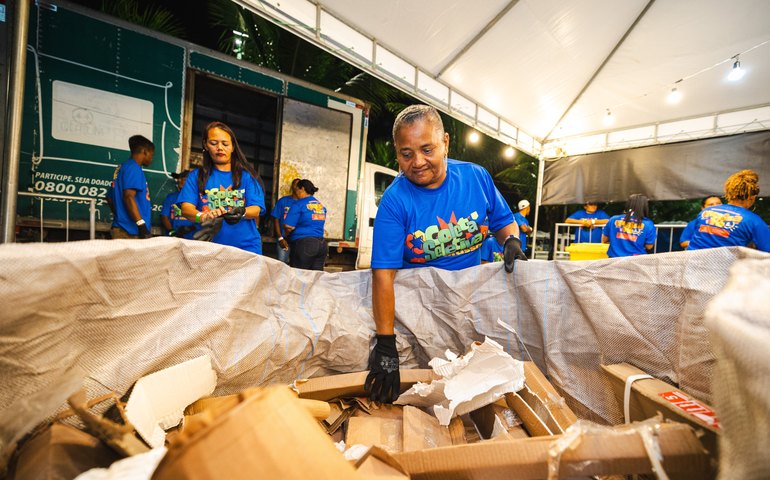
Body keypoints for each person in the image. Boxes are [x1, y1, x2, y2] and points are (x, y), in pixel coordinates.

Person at [365, 104, 526, 403]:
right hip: (419, 309)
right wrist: (386, 344)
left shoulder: (476, 178)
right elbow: (383, 274)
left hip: (468, 301)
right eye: (406, 153)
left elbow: (504, 222)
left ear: (446, 143)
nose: (418, 162)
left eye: (427, 149)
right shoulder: (394, 202)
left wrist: (510, 242)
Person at [178, 121, 266, 254]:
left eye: (225, 144)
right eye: (213, 143)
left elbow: (256, 209)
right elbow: (186, 209)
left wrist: (241, 212)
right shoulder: (196, 176)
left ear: (233, 147)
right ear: (205, 145)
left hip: (246, 247)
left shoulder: (247, 176)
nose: (220, 148)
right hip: (209, 248)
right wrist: (202, 217)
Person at [687, 170, 770, 252]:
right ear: (752, 197)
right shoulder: (753, 220)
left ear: (729, 193)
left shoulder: (705, 212)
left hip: (692, 262)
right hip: (724, 264)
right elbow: (767, 248)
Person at [107, 135, 154, 239]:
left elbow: (109, 197)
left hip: (122, 228)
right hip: (130, 232)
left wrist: (121, 215)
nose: (152, 158)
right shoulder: (134, 168)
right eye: (152, 154)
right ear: (144, 151)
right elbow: (128, 196)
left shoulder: (122, 168)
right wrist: (141, 225)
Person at [283, 179, 327, 270]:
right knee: (316, 278)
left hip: (304, 244)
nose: (296, 193)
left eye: (297, 190)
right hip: (322, 245)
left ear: (302, 189)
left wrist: (286, 234)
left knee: (299, 276)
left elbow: (288, 226)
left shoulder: (298, 204)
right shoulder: (320, 206)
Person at [270, 178, 300, 264]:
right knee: (281, 264)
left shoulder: (302, 203)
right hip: (284, 240)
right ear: (292, 186)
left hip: (298, 241)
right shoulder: (283, 201)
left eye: (299, 185)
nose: (296, 186)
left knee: (297, 265)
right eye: (295, 184)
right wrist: (280, 238)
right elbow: (276, 219)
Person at [160, 170, 197, 239]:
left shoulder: (198, 198)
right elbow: (164, 216)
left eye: (183, 178)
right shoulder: (171, 197)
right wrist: (172, 232)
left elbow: (201, 216)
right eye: (178, 178)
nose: (179, 180)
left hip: (192, 238)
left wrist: (193, 227)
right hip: (173, 239)